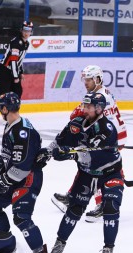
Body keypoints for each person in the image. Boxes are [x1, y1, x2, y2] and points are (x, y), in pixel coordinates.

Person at [46, 92, 123, 253]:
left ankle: (108, 248)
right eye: (84, 105)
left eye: (88, 107)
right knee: (74, 209)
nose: (84, 109)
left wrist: (67, 154)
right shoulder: (77, 123)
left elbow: (87, 155)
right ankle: (60, 242)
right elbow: (59, 141)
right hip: (87, 174)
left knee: (110, 207)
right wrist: (47, 152)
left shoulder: (107, 129)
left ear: (99, 109)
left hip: (109, 173)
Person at [0, 92, 52, 253]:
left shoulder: (23, 132)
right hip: (14, 176)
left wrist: (4, 180)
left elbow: (22, 167)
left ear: (6, 108)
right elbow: (7, 153)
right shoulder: (11, 126)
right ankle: (7, 245)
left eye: (0, 108)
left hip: (28, 178)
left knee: (21, 216)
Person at [51, 65, 128, 223]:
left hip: (110, 136)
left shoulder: (100, 97)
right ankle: (73, 195)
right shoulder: (99, 93)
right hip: (110, 133)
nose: (85, 82)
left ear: (98, 79)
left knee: (96, 167)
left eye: (88, 79)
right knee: (88, 165)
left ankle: (101, 204)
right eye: (84, 79)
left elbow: (75, 115)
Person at [0, 21, 33, 124]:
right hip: (5, 70)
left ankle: (11, 111)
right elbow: (13, 61)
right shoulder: (16, 42)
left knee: (17, 91)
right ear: (21, 30)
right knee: (2, 92)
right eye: (25, 30)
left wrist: (20, 72)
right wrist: (15, 76)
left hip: (13, 70)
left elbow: (19, 60)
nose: (27, 33)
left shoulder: (26, 43)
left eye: (29, 31)